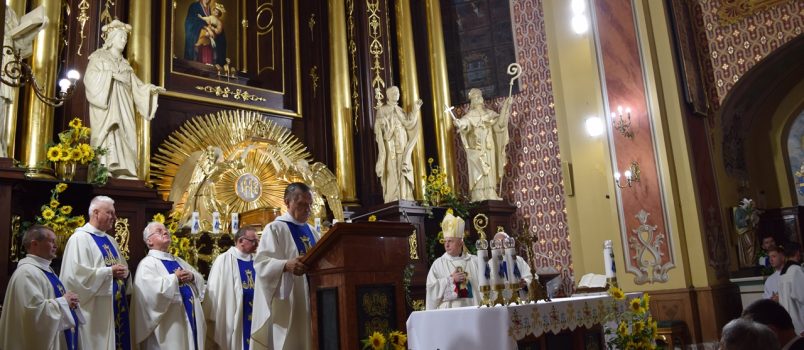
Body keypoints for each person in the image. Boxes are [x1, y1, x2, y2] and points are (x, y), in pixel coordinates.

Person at [85, 20, 164, 180]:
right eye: (121, 37)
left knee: (125, 133)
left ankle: (124, 170)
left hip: (124, 106)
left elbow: (136, 85)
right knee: (109, 133)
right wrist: (111, 76)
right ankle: (103, 168)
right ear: (112, 38)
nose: (124, 41)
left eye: (125, 39)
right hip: (107, 103)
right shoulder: (99, 57)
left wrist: (150, 90)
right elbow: (89, 79)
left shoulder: (125, 64)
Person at [251, 182, 321, 350]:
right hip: (290, 302)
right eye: (301, 204)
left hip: (315, 297)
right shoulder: (275, 228)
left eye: (309, 205)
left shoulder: (313, 232)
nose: (307, 209)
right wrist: (285, 265)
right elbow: (261, 263)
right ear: (287, 202)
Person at [60, 195, 132, 349]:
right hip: (93, 313)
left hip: (114, 309)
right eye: (110, 213)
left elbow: (122, 269)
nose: (115, 217)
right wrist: (109, 272)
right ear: (96, 213)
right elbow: (74, 278)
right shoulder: (79, 239)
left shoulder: (111, 240)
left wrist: (125, 274)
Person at [0, 225, 83, 349]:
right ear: (34, 244)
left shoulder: (46, 270)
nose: (56, 245)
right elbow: (32, 314)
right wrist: (64, 302)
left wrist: (69, 301)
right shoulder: (27, 273)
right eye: (51, 241)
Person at [132, 222, 206, 349]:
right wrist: (174, 279)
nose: (165, 232)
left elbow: (199, 279)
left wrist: (192, 277)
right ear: (149, 241)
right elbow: (149, 295)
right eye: (159, 231)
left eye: (165, 230)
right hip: (169, 326)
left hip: (189, 319)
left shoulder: (178, 260)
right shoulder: (147, 264)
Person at [450, 88, 512, 202]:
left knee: (490, 167)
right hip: (476, 146)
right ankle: (478, 194)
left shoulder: (490, 113)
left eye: (479, 96)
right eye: (475, 97)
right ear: (472, 101)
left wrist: (505, 108)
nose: (478, 98)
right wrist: (459, 123)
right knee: (478, 167)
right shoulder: (470, 115)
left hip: (488, 145)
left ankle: (490, 191)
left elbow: (500, 125)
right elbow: (465, 123)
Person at [204, 225, 260, 350]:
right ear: (240, 241)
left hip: (256, 312)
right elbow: (216, 292)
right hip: (233, 314)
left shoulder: (257, 261)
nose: (257, 244)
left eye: (257, 241)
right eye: (253, 241)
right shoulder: (223, 260)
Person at [374, 85, 422, 202]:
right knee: (392, 170)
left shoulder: (400, 110)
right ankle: (393, 197)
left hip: (402, 142)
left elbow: (409, 123)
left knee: (402, 168)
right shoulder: (383, 109)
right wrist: (382, 124)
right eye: (394, 93)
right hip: (390, 144)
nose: (397, 95)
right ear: (389, 95)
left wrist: (415, 110)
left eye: (398, 93)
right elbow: (377, 128)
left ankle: (404, 195)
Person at [425, 210, 482, 309]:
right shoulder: (438, 264)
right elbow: (431, 290)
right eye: (445, 241)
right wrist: (451, 280)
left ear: (460, 243)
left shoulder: (475, 261)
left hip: (474, 310)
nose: (446, 244)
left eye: (450, 241)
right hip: (449, 314)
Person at [778, 244, 804, 335]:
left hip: (789, 322)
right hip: (800, 323)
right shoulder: (796, 270)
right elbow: (802, 297)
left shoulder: (782, 272)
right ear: (797, 253)